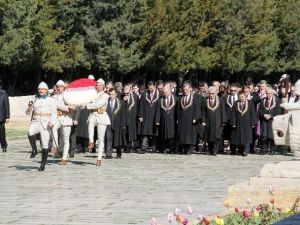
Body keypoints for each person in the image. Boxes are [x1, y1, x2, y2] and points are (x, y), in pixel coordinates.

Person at [26, 82, 57, 171]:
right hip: (36, 121)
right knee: (30, 132)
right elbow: (27, 113)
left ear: (47, 90)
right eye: (39, 89)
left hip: (46, 122)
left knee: (44, 144)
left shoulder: (51, 100)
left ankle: (43, 164)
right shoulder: (35, 99)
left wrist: (52, 122)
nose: (40, 91)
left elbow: (54, 113)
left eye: (42, 89)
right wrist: (29, 108)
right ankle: (34, 150)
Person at [85, 78, 110, 166]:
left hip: (102, 115)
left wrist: (87, 105)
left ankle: (99, 158)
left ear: (103, 86)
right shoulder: (92, 95)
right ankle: (91, 141)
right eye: (97, 85)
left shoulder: (106, 95)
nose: (97, 86)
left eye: (99, 85)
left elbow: (98, 105)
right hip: (93, 114)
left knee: (101, 138)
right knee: (90, 122)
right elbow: (86, 101)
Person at [51, 80, 78, 165]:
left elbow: (74, 107)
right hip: (57, 117)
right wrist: (67, 107)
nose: (59, 88)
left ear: (64, 87)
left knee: (66, 139)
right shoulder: (53, 97)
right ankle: (55, 146)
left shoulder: (68, 96)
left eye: (61, 87)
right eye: (57, 86)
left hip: (66, 118)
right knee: (53, 128)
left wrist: (70, 109)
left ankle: (64, 158)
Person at [202, 86, 227, 156]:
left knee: (217, 136)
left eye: (213, 93)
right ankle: (210, 149)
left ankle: (215, 150)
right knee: (209, 136)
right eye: (210, 93)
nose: (211, 95)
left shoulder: (220, 100)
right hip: (208, 121)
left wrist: (223, 121)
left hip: (218, 121)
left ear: (216, 93)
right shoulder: (205, 100)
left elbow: (223, 111)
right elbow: (203, 112)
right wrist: (203, 120)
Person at [177, 82, 200, 155]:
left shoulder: (195, 98)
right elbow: (178, 109)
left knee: (190, 134)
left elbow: (197, 108)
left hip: (191, 119)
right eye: (184, 90)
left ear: (190, 89)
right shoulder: (180, 98)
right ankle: (183, 148)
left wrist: (196, 117)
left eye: (186, 89)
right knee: (183, 134)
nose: (185, 91)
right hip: (182, 119)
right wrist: (178, 118)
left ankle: (190, 149)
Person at [231, 90, 256, 156]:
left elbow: (253, 113)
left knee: (247, 138)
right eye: (240, 97)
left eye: (242, 97)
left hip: (247, 123)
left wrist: (253, 123)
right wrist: (233, 123)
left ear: (245, 96)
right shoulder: (235, 103)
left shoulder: (250, 103)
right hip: (238, 123)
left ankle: (246, 150)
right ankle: (240, 150)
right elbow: (233, 114)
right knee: (240, 138)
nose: (241, 98)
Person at [137, 81, 161, 153]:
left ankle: (154, 147)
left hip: (155, 115)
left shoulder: (160, 94)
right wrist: (140, 115)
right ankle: (143, 147)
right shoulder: (144, 94)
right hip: (146, 115)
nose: (150, 89)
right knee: (145, 132)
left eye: (151, 87)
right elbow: (141, 105)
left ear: (155, 86)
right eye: (149, 87)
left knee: (154, 132)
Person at [105, 88, 128, 158]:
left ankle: (119, 152)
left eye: (112, 94)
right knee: (108, 138)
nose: (111, 96)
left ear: (115, 94)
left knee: (118, 139)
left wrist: (124, 124)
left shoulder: (120, 102)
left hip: (118, 123)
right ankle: (108, 154)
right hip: (108, 123)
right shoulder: (106, 102)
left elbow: (124, 114)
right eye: (110, 94)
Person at [258, 87, 281, 154]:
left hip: (273, 120)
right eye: (267, 93)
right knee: (264, 135)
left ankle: (272, 150)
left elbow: (278, 111)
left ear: (272, 93)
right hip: (265, 120)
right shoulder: (263, 100)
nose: (268, 95)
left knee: (272, 135)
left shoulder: (277, 100)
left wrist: (271, 115)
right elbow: (260, 111)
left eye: (269, 93)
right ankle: (263, 150)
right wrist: (264, 115)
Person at [156, 86, 177, 154]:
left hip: (172, 120)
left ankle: (172, 149)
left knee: (171, 135)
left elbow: (177, 110)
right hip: (163, 120)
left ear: (170, 91)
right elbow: (158, 111)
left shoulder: (175, 99)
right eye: (164, 92)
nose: (165, 94)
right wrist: (157, 121)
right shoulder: (160, 100)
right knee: (164, 134)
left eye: (166, 92)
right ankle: (164, 148)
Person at [123, 85, 139, 153]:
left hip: (133, 117)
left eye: (127, 93)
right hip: (125, 117)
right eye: (125, 93)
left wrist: (139, 116)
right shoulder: (122, 97)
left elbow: (138, 106)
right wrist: (124, 101)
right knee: (126, 132)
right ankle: (127, 147)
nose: (126, 94)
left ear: (130, 91)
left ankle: (135, 146)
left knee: (133, 132)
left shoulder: (135, 96)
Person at [0, 79, 10, 152]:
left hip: (1, 116)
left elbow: (7, 105)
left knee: (1, 132)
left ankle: (4, 145)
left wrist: (7, 116)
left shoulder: (4, 93)